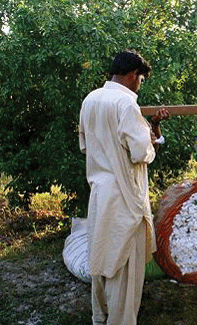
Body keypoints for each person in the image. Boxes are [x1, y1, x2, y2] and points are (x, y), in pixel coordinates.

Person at [78, 50, 170, 325]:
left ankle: (99, 316)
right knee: (124, 266)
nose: (140, 85)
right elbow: (140, 153)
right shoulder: (126, 104)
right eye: (141, 79)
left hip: (99, 191)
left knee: (101, 255)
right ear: (132, 76)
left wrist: (152, 128)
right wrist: (154, 140)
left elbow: (87, 145)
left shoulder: (90, 99)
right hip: (125, 195)